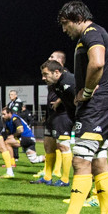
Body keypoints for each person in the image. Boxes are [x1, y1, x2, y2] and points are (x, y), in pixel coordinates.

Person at [40, 1, 108, 214]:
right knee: (98, 161)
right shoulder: (93, 34)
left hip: (96, 108)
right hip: (101, 108)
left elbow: (97, 62)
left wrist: (85, 91)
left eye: (65, 24)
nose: (64, 30)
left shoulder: (91, 33)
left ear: (75, 18)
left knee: (80, 161)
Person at [35, 58, 76, 187]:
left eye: (45, 74)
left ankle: (65, 179)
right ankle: (47, 177)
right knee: (48, 145)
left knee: (63, 146)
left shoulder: (68, 80)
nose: (43, 78)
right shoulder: (54, 83)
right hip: (51, 115)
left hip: (62, 116)